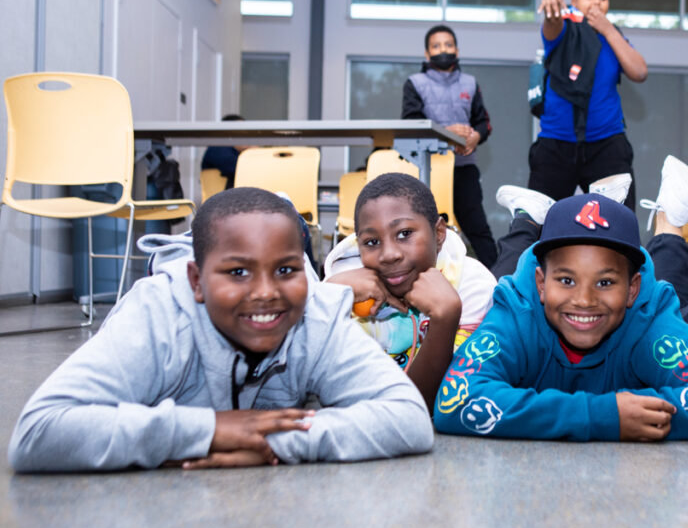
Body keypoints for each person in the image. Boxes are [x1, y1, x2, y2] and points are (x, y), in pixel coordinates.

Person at [8, 188, 433, 472]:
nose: (266, 293)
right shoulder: (157, 316)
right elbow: (40, 430)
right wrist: (205, 430)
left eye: (286, 270)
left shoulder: (315, 315)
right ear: (196, 280)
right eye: (238, 272)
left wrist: (268, 442)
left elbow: (408, 418)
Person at [431, 191, 688, 441]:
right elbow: (453, 401)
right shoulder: (517, 314)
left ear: (632, 289)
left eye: (605, 282)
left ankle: (671, 224)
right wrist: (601, 415)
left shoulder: (649, 320)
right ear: (541, 284)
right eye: (566, 280)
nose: (584, 300)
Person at [322, 173, 496, 411]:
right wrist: (329, 294)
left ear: (438, 234)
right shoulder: (344, 287)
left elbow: (430, 403)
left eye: (404, 234)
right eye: (372, 242)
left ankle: (525, 224)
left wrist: (445, 318)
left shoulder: (473, 285)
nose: (389, 254)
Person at [529, 0, 648, 211]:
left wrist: (608, 30)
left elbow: (639, 72)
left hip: (607, 144)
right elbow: (552, 22)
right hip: (556, 143)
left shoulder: (614, 36)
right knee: (538, 221)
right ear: (574, 1)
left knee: (620, 222)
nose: (597, 2)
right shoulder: (564, 29)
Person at [402, 24, 497, 268]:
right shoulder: (415, 83)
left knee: (478, 229)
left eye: (448, 44)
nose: (443, 50)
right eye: (436, 46)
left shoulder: (470, 83)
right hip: (427, 170)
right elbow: (410, 123)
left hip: (464, 167)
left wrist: (476, 136)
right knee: (422, 227)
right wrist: (447, 133)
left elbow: (484, 123)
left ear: (456, 49)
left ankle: (498, 282)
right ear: (426, 54)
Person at [200, 114, 249, 188]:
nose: (243, 134)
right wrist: (252, 151)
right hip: (223, 197)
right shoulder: (217, 147)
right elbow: (240, 168)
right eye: (239, 130)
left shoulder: (236, 151)